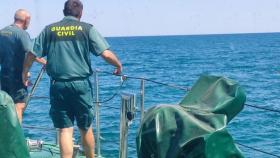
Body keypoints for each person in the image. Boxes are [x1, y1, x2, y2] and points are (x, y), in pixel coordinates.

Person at [22, 0, 122, 157]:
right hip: (81, 86)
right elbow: (106, 54)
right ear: (81, 13)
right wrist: (118, 66)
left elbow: (31, 54)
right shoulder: (87, 28)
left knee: (64, 130)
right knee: (85, 127)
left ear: (63, 11)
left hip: (58, 85)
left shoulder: (49, 29)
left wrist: (25, 72)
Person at [0, 9, 46, 124]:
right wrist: (45, 62)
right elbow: (32, 53)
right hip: (17, 78)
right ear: (26, 20)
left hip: (4, 76)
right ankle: (16, 139)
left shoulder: (2, 32)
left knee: (6, 107)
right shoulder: (22, 34)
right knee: (18, 107)